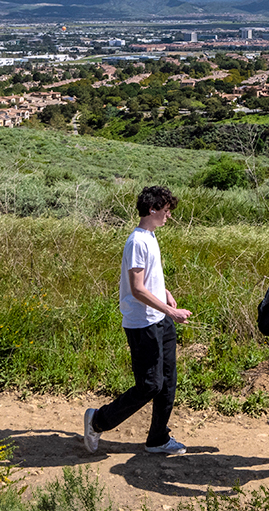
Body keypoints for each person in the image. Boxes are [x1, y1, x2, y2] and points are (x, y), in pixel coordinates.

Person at [83, 186, 193, 455]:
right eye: (166, 211)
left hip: (160, 318)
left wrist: (165, 293)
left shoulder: (150, 236)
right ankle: (98, 420)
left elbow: (149, 280)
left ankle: (158, 439)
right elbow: (137, 289)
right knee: (150, 385)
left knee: (168, 382)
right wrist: (172, 312)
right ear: (152, 209)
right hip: (143, 323)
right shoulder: (137, 241)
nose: (169, 216)